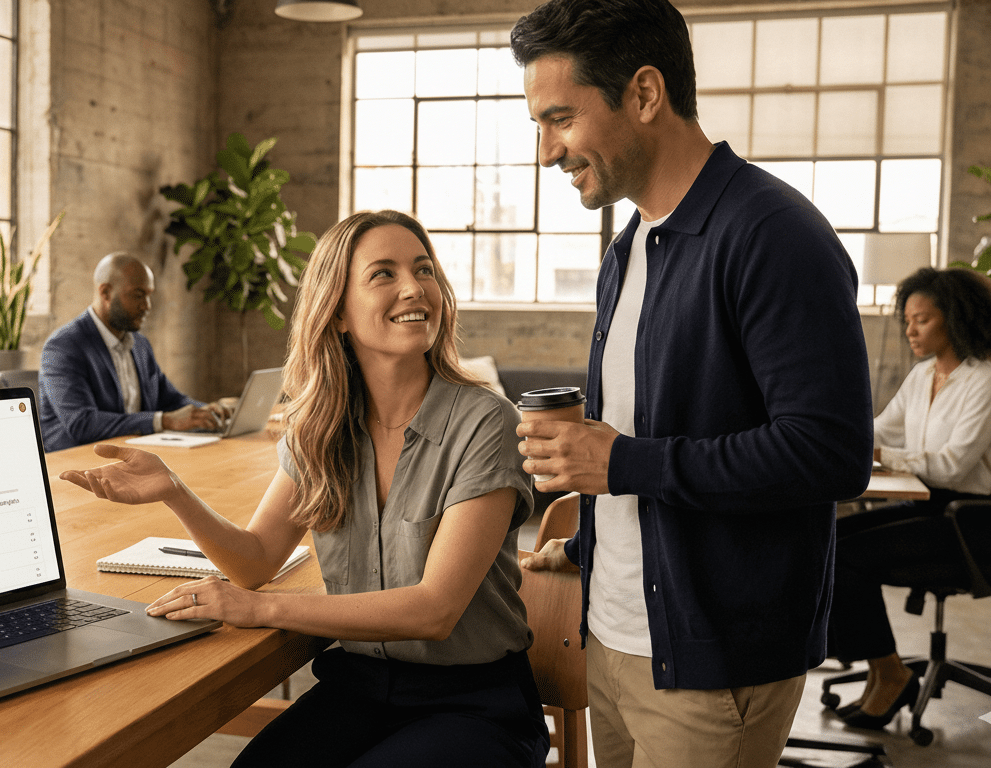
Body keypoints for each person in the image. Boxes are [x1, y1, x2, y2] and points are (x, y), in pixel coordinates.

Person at [509, 1, 874, 766]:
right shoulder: (631, 242)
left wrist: (621, 464)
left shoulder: (773, 235)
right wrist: (587, 548)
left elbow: (829, 453)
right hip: (612, 638)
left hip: (712, 665)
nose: (546, 151)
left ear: (644, 94)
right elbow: (656, 433)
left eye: (560, 119)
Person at [61, 210, 547, 767]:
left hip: (475, 704)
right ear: (337, 311)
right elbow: (257, 559)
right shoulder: (320, 427)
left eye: (424, 269)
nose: (414, 287)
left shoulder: (486, 422)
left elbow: (432, 611)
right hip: (360, 689)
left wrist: (258, 610)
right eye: (383, 274)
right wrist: (174, 490)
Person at [827, 267, 991, 730]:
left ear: (953, 318)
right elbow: (878, 428)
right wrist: (833, 434)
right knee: (827, 540)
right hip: (929, 506)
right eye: (908, 321)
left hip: (971, 519)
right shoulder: (923, 376)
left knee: (846, 558)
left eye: (922, 320)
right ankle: (881, 667)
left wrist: (884, 456)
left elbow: (952, 465)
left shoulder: (984, 380)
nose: (910, 330)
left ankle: (889, 673)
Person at [38, 252, 231, 451]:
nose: (147, 306)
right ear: (105, 293)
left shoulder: (139, 344)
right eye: (138, 295)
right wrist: (164, 421)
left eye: (149, 295)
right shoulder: (63, 347)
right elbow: (82, 423)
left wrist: (208, 411)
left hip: (132, 455)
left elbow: (170, 399)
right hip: (76, 462)